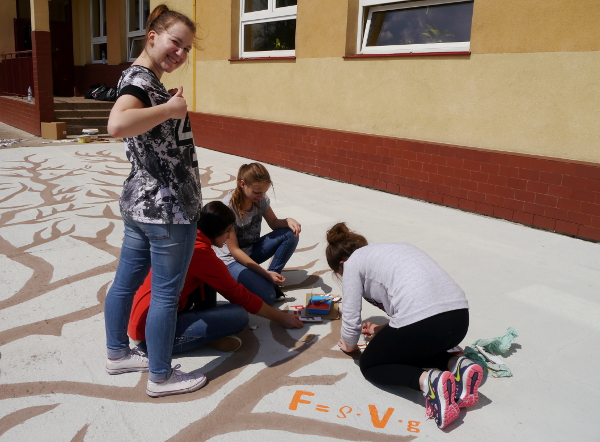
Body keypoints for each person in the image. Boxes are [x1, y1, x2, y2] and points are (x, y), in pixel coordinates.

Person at [104, 4, 205, 398]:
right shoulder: (141, 82)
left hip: (142, 205)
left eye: (186, 49)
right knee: (165, 294)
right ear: (152, 37)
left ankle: (117, 354)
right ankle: (161, 376)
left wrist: (165, 105)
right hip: (168, 211)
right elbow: (117, 124)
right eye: (175, 43)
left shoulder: (143, 78)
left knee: (125, 285)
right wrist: (170, 109)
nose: (180, 54)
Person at [326, 222, 483, 429]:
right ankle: (457, 365)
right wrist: (382, 330)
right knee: (413, 346)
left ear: (341, 264)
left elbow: (351, 316)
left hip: (425, 325)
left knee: (371, 364)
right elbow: (415, 306)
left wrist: (349, 344)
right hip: (458, 321)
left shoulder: (352, 264)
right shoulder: (395, 249)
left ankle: (430, 382)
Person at [127, 201, 304, 355]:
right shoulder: (201, 254)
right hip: (149, 334)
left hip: (143, 317)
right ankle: (198, 338)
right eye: (227, 231)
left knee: (213, 287)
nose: (228, 236)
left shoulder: (188, 238)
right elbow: (241, 296)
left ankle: (203, 331)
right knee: (238, 316)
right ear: (216, 230)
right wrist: (280, 317)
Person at [215, 163, 301, 305]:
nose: (261, 196)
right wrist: (264, 273)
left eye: (264, 192)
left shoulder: (260, 200)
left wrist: (288, 220)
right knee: (268, 297)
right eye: (257, 192)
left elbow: (273, 223)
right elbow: (235, 251)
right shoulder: (228, 208)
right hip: (231, 260)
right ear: (242, 184)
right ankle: (263, 279)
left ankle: (272, 278)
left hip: (251, 251)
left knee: (290, 233)